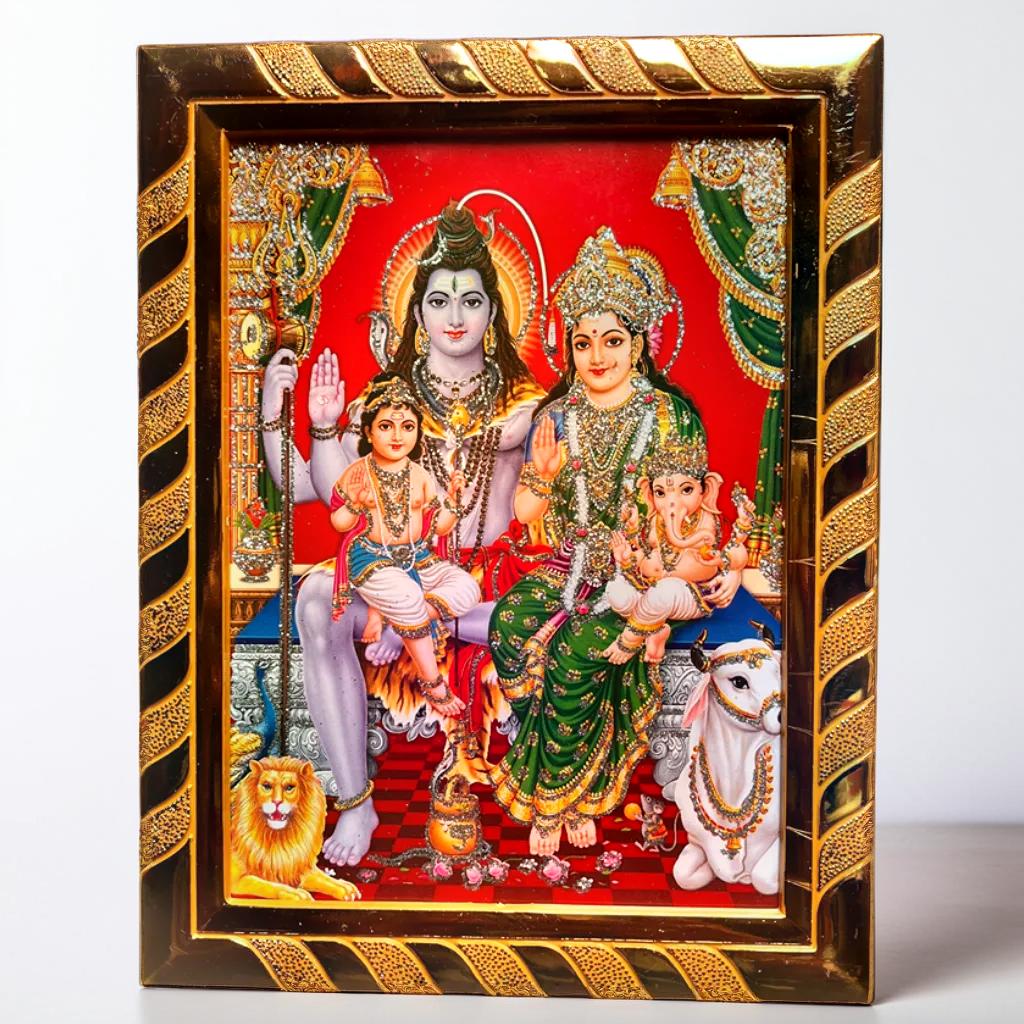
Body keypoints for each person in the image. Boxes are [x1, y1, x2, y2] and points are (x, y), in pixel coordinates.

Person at [258, 202, 543, 866]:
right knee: (315, 601)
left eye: (471, 301)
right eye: (439, 301)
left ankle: (419, 621)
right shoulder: (385, 405)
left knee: (538, 609)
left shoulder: (526, 406)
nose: (454, 316)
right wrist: (285, 412)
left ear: (494, 313)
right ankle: (357, 802)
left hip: (484, 591)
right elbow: (309, 487)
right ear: (416, 314)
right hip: (395, 575)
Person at [488, 226, 741, 857]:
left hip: (643, 575)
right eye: (583, 343)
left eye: (612, 341)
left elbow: (694, 514)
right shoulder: (555, 415)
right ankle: (575, 772)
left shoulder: (668, 416)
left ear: (638, 344)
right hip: (566, 564)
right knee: (508, 627)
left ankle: (564, 799)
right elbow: (524, 512)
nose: (597, 356)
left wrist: (714, 568)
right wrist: (542, 477)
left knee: (576, 654)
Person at [329, 375, 480, 715]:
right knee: (408, 597)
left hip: (417, 559)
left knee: (467, 588)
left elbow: (439, 527)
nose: (397, 436)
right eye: (386, 426)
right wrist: (355, 504)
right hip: (372, 560)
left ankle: (392, 616)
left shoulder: (420, 476)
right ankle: (433, 683)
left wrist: (453, 500)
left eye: (407, 427)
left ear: (418, 433)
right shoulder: (357, 473)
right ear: (368, 432)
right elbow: (338, 523)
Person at [603, 437, 756, 664]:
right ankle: (655, 629)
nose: (671, 502)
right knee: (615, 591)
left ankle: (630, 639)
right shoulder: (654, 521)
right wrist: (627, 559)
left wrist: (731, 563)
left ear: (706, 490)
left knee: (666, 591)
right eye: (661, 493)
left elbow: (735, 553)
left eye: (686, 490)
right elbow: (644, 555)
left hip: (690, 595)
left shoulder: (709, 522)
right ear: (650, 494)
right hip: (649, 589)